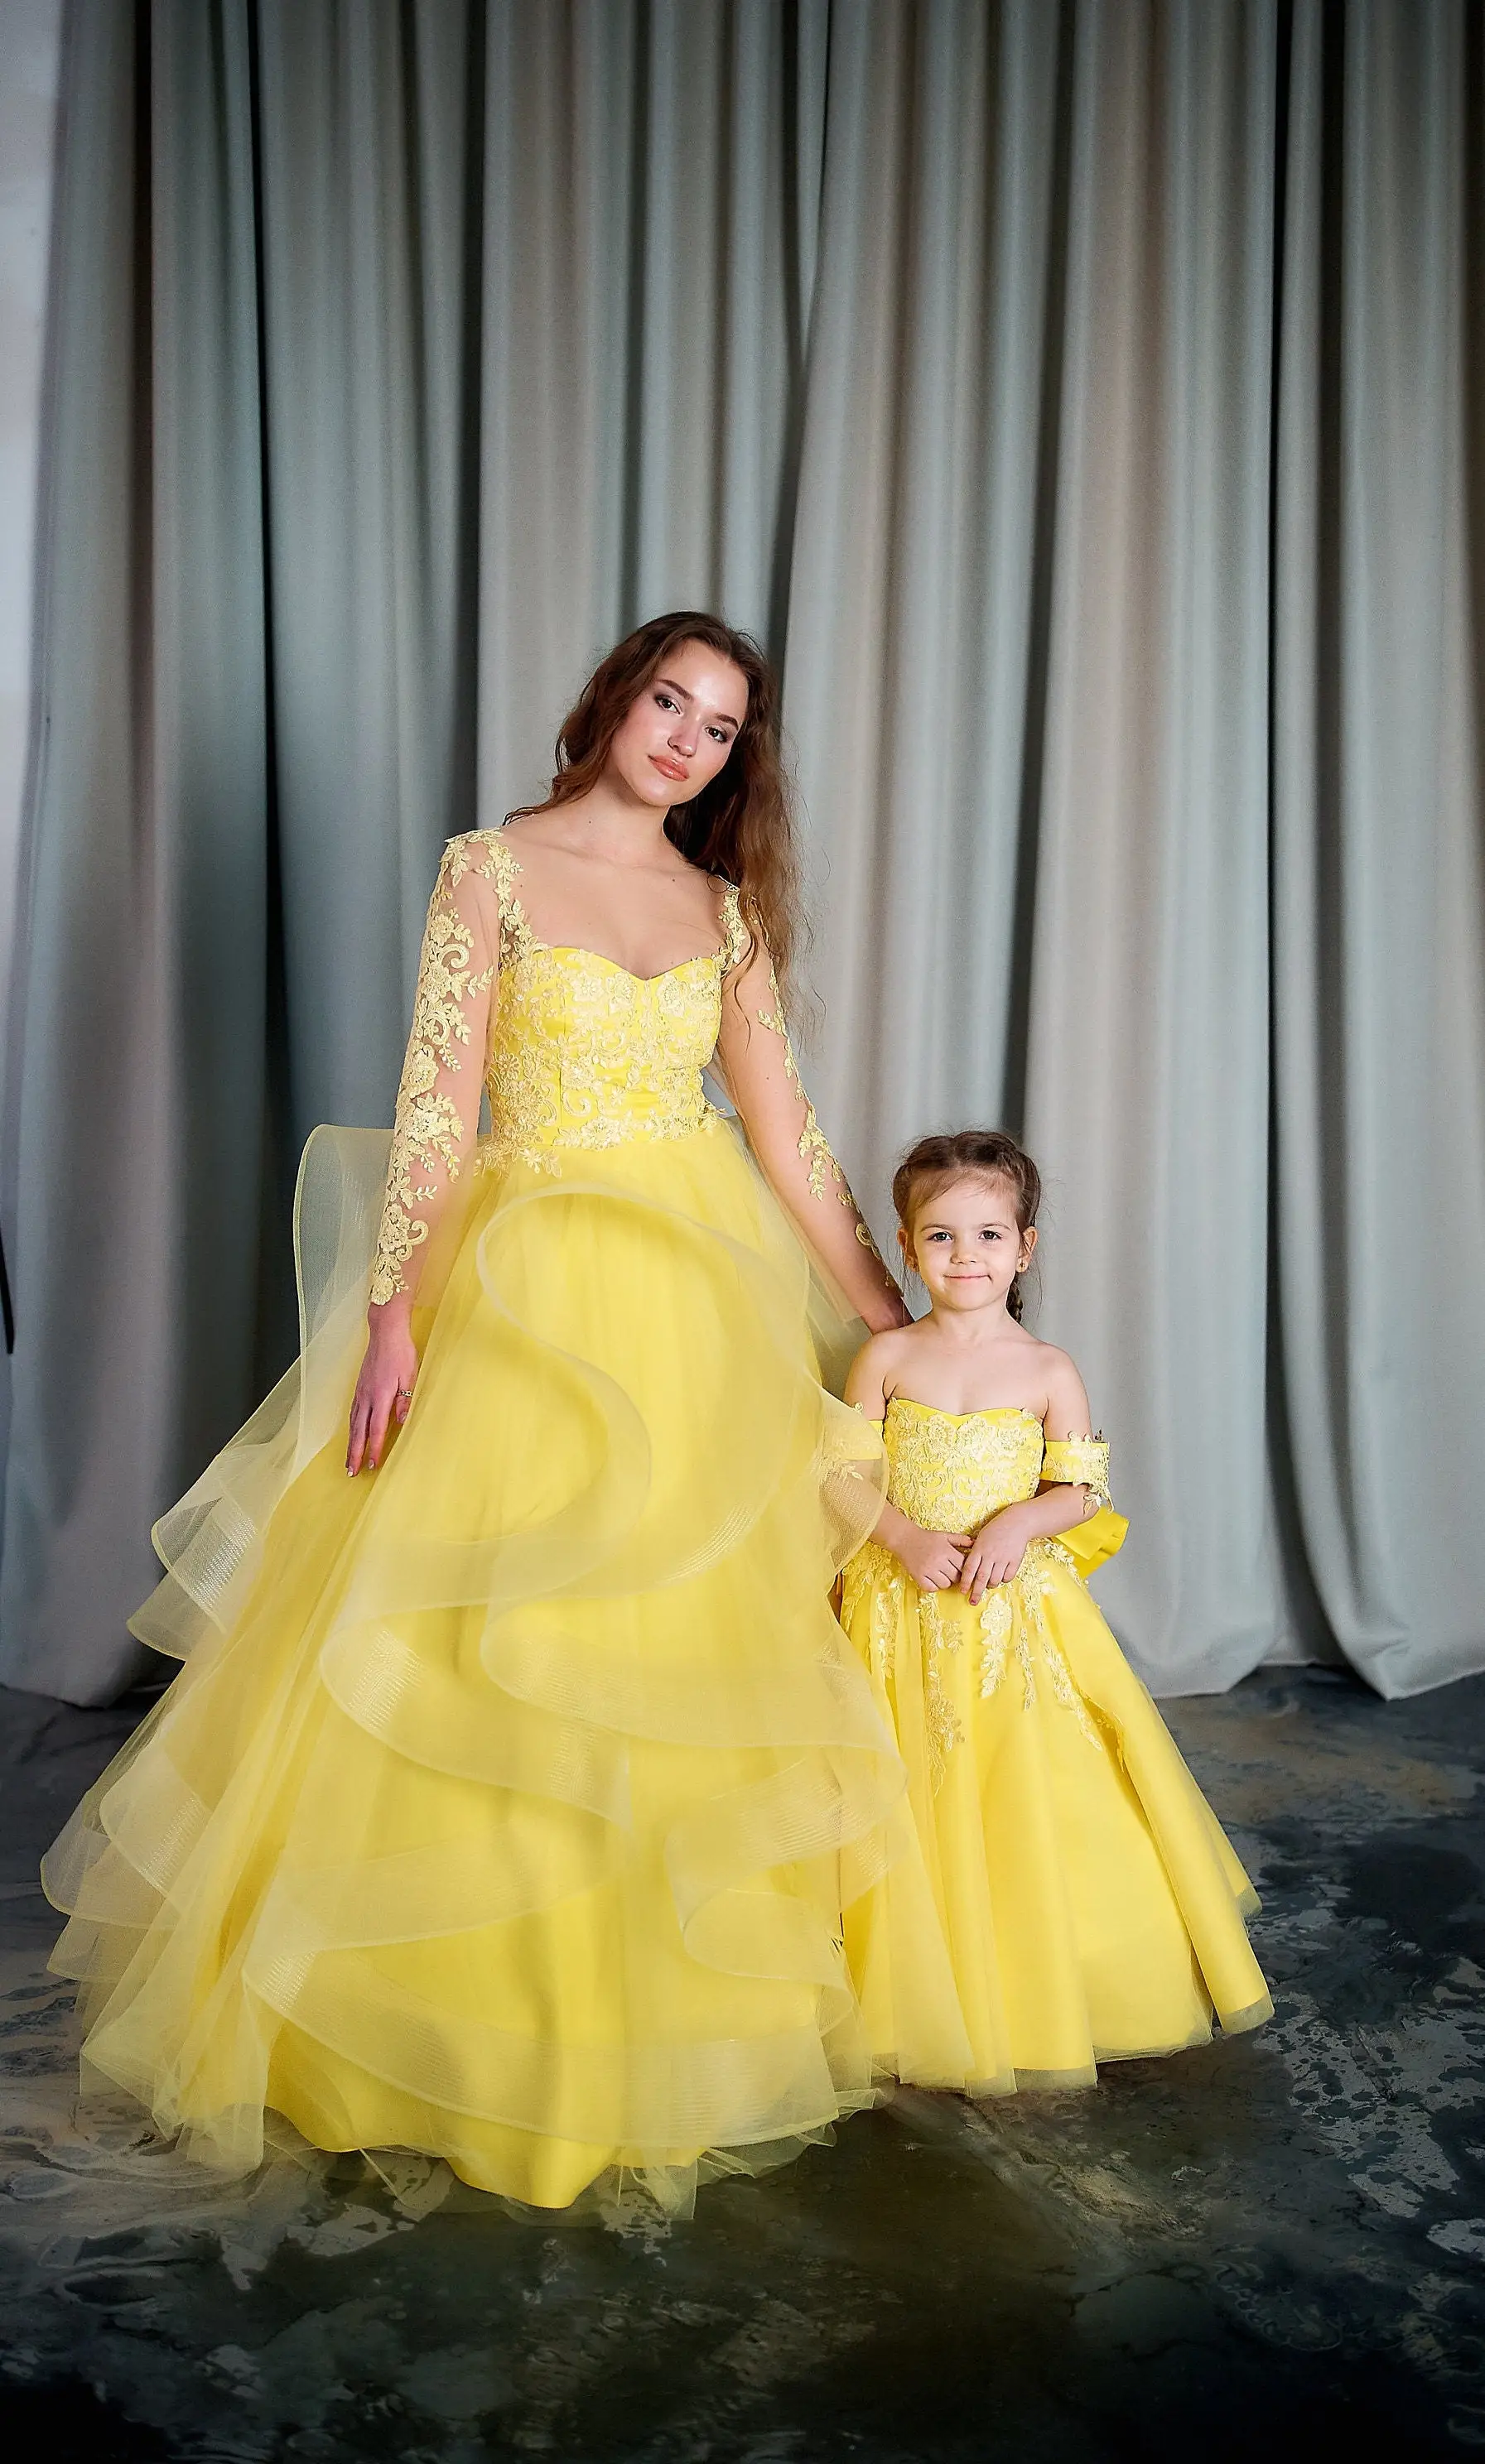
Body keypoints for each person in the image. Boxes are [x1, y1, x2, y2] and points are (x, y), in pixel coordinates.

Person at [42, 613, 913, 2217]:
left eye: (719, 728)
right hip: (524, 1281)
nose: (684, 741)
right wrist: (391, 1317)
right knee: (488, 1631)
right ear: (613, 698)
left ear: (734, 760)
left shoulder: (722, 910)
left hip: (689, 1298)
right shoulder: (490, 868)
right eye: (669, 701)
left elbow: (788, 1144)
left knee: (671, 1646)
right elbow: (437, 1098)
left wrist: (894, 1323)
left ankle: (650, 2014)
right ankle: (448, 2015)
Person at [839, 1129, 1272, 2095]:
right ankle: (908, 1989)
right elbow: (837, 1477)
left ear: (1023, 1249)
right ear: (907, 1249)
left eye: (988, 1236)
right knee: (906, 1789)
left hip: (1003, 1613)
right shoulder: (884, 1359)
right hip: (896, 1610)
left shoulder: (1045, 1369)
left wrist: (1015, 1526)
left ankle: (1033, 1978)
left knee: (1013, 1785)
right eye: (941, 1237)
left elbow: (1079, 1487)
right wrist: (903, 1538)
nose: (965, 1257)